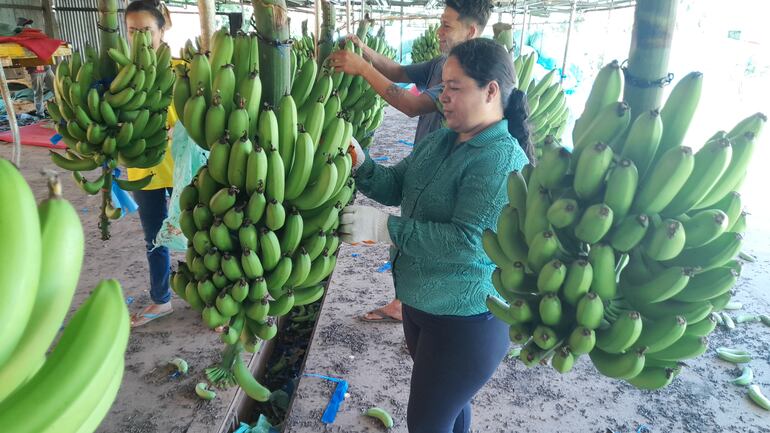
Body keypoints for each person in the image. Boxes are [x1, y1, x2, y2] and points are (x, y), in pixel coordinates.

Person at [340, 38, 534, 433]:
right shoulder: (442, 139)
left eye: (454, 87)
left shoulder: (501, 159)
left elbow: (467, 244)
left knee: (428, 423)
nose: (442, 96)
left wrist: (383, 228)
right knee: (450, 411)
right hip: (422, 306)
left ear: (491, 90)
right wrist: (361, 162)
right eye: (442, 86)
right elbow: (396, 185)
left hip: (467, 322)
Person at [329, 0, 494, 323]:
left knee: (433, 238)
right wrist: (366, 52)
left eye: (447, 25)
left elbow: (410, 104)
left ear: (471, 30)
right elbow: (399, 73)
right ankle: (406, 303)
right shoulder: (442, 64)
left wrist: (363, 69)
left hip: (452, 171)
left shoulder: (472, 76)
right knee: (414, 231)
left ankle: (422, 310)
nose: (439, 31)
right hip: (429, 157)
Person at [124, 0, 176, 327]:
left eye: (147, 31)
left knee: (202, 233)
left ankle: (213, 297)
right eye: (133, 31)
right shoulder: (120, 74)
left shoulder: (181, 70)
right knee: (154, 238)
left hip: (180, 167)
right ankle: (161, 300)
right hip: (144, 171)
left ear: (161, 30)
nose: (140, 38)